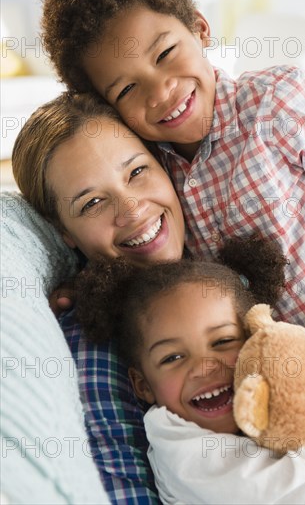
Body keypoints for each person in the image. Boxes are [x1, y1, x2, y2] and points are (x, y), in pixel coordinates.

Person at [41, 0, 305, 389]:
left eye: (166, 53)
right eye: (127, 88)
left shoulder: (279, 103)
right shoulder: (151, 179)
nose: (161, 92)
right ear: (108, 107)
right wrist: (87, 287)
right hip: (292, 393)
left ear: (200, 27)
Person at [73, 254, 305, 505]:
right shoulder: (177, 442)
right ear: (143, 385)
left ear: (256, 339)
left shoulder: (276, 396)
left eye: (223, 341)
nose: (205, 367)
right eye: (172, 358)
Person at [12, 91, 186, 503]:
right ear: (65, 234)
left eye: (137, 171)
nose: (131, 210)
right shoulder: (100, 348)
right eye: (92, 202)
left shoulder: (223, 252)